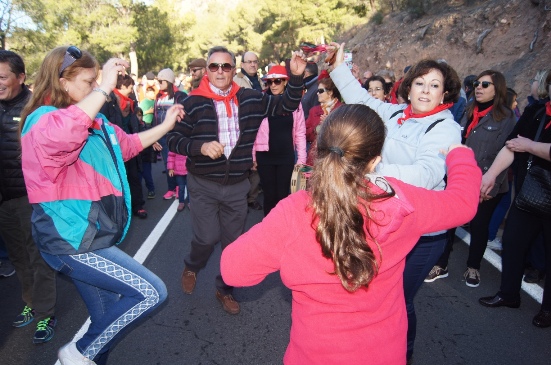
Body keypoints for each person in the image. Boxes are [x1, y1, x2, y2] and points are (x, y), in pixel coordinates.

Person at [220, 104, 481, 365]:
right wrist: (460, 157)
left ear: (319, 152)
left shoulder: (295, 211)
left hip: (313, 356)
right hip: (384, 354)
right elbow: (462, 204)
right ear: (375, 160)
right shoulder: (401, 201)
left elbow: (232, 270)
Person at [20, 46, 181, 364]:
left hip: (90, 234)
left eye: (97, 81)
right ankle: (77, 353)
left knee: (107, 319)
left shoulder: (94, 121)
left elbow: (128, 144)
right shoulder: (43, 121)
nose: (96, 88)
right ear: (63, 82)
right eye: (89, 81)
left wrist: (166, 126)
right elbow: (65, 135)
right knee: (152, 292)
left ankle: (86, 355)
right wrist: (106, 84)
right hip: (70, 241)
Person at [328, 42, 462, 363]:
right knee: (378, 291)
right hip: (388, 221)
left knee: (400, 299)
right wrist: (337, 67)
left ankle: (403, 354)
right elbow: (359, 99)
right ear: (408, 87)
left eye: (434, 86)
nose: (426, 91)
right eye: (420, 83)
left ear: (444, 95)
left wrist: (372, 171)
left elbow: (428, 174)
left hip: (422, 232)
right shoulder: (396, 114)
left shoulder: (446, 129)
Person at [167, 45, 306, 315]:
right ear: (207, 70)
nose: (220, 71)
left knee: (234, 245)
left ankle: (224, 289)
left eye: (226, 66)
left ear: (233, 70)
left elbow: (286, 106)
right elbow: (173, 138)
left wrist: (297, 77)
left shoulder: (250, 98)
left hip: (237, 186)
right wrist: (200, 147)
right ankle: (192, 265)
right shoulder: (192, 102)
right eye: (214, 66)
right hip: (204, 183)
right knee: (207, 238)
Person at [425, 70, 517, 287]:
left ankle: (473, 267)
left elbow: (507, 151)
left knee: (479, 226)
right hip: (458, 176)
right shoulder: (469, 110)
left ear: (498, 89)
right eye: (477, 83)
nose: (479, 87)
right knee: (449, 222)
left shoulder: (506, 117)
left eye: (486, 84)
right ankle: (441, 264)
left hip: (486, 182)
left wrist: (489, 184)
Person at [479, 73, 551, 328]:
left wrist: (530, 146)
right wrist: (491, 175)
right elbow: (512, 145)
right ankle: (508, 295)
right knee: (512, 242)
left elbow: (524, 145)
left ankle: (548, 310)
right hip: (529, 194)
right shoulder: (537, 110)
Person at [0, 49, 58, 344]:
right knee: (18, 256)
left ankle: (46, 312)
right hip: (3, 199)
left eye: (2, 77)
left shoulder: (35, 108)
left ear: (21, 78)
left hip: (30, 196)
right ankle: (31, 301)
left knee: (38, 256)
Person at [253, 65, 307, 216]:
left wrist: (301, 158)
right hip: (264, 156)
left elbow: (300, 132)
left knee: (283, 196)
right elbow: (252, 130)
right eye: (270, 82)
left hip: (286, 156)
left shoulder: (295, 103)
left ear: (285, 82)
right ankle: (268, 231)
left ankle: (282, 229)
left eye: (277, 81)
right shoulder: (261, 101)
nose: (273, 85)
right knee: (269, 196)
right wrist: (253, 157)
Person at [100, 74, 148, 219]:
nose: (132, 89)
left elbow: (136, 123)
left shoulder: (131, 102)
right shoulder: (108, 102)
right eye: (130, 86)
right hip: (115, 147)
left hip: (130, 144)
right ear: (122, 86)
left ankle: (137, 206)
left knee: (134, 176)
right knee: (120, 179)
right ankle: (121, 209)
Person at [232, 51, 263, 210]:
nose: (252, 64)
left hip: (260, 128)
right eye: (249, 62)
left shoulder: (260, 81)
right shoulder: (236, 81)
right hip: (242, 128)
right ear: (242, 64)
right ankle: (240, 198)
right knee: (245, 164)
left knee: (256, 165)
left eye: (255, 61)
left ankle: (252, 197)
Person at [154, 68, 187, 200]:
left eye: (161, 81)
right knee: (167, 163)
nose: (159, 84)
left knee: (176, 161)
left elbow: (184, 116)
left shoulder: (180, 96)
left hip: (174, 134)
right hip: (161, 135)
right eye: (158, 81)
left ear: (168, 81)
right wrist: (154, 137)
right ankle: (171, 188)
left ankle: (180, 186)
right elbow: (155, 117)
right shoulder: (158, 97)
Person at [305, 74, 342, 165]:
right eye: (318, 91)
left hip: (336, 157)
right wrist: (317, 128)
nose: (317, 93)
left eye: (321, 91)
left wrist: (329, 124)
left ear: (330, 93)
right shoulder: (314, 111)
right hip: (316, 157)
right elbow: (305, 133)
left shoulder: (342, 110)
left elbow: (344, 134)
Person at [139, 87, 159, 199]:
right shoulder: (144, 102)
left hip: (145, 156)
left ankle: (151, 189)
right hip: (138, 156)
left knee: (147, 174)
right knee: (138, 176)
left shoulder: (145, 128)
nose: (138, 117)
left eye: (139, 115)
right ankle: (140, 193)